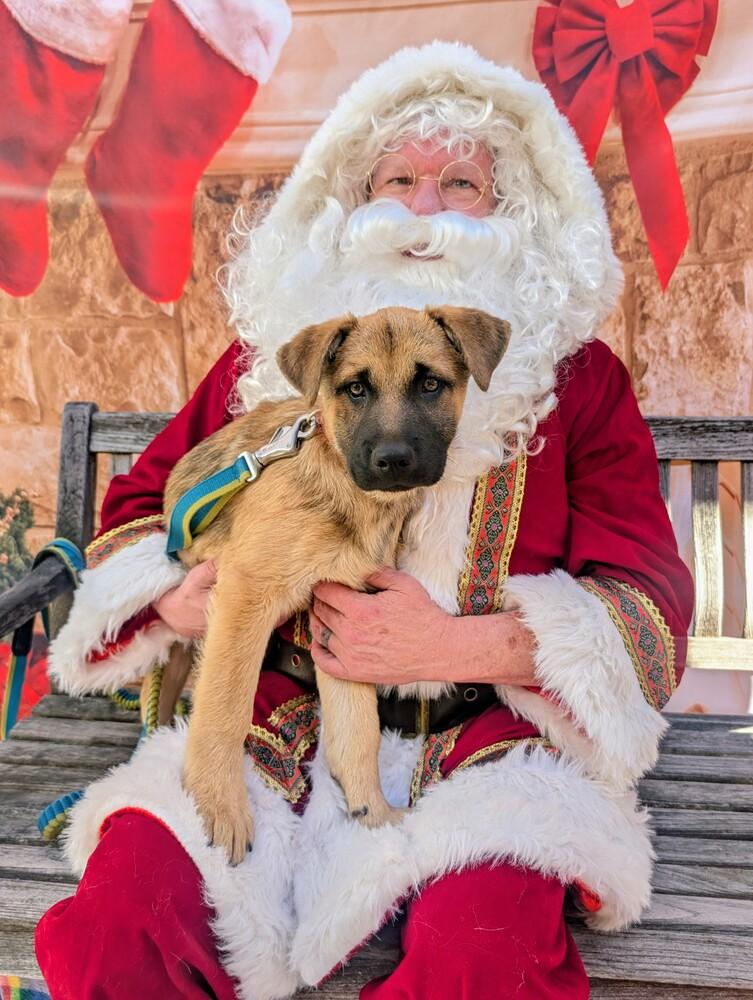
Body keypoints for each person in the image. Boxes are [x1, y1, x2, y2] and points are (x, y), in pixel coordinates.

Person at [37, 42, 694, 1000]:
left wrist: (459, 643)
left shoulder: (578, 383)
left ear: (510, 210)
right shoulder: (267, 364)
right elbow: (144, 507)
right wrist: (181, 598)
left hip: (487, 745)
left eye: (460, 181)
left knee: (487, 959)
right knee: (119, 926)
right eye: (397, 178)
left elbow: (647, 592)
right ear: (353, 199)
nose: (422, 209)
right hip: (271, 725)